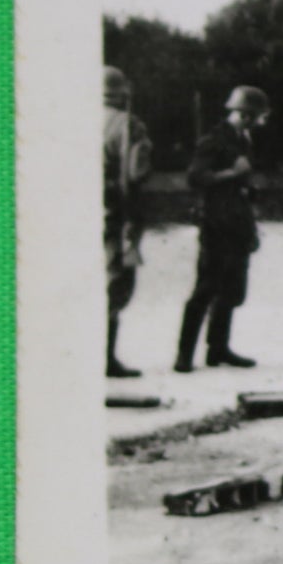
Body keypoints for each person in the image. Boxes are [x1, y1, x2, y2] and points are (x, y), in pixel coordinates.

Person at [174, 85, 269, 373]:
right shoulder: (214, 140)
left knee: (232, 289)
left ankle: (218, 349)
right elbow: (196, 177)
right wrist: (233, 174)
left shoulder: (242, 139)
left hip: (237, 223)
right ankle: (184, 355)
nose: (261, 121)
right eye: (256, 115)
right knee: (205, 289)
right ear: (245, 114)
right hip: (216, 224)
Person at [103, 67, 153, 379]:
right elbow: (136, 172)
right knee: (116, 284)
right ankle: (105, 358)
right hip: (116, 212)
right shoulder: (129, 125)